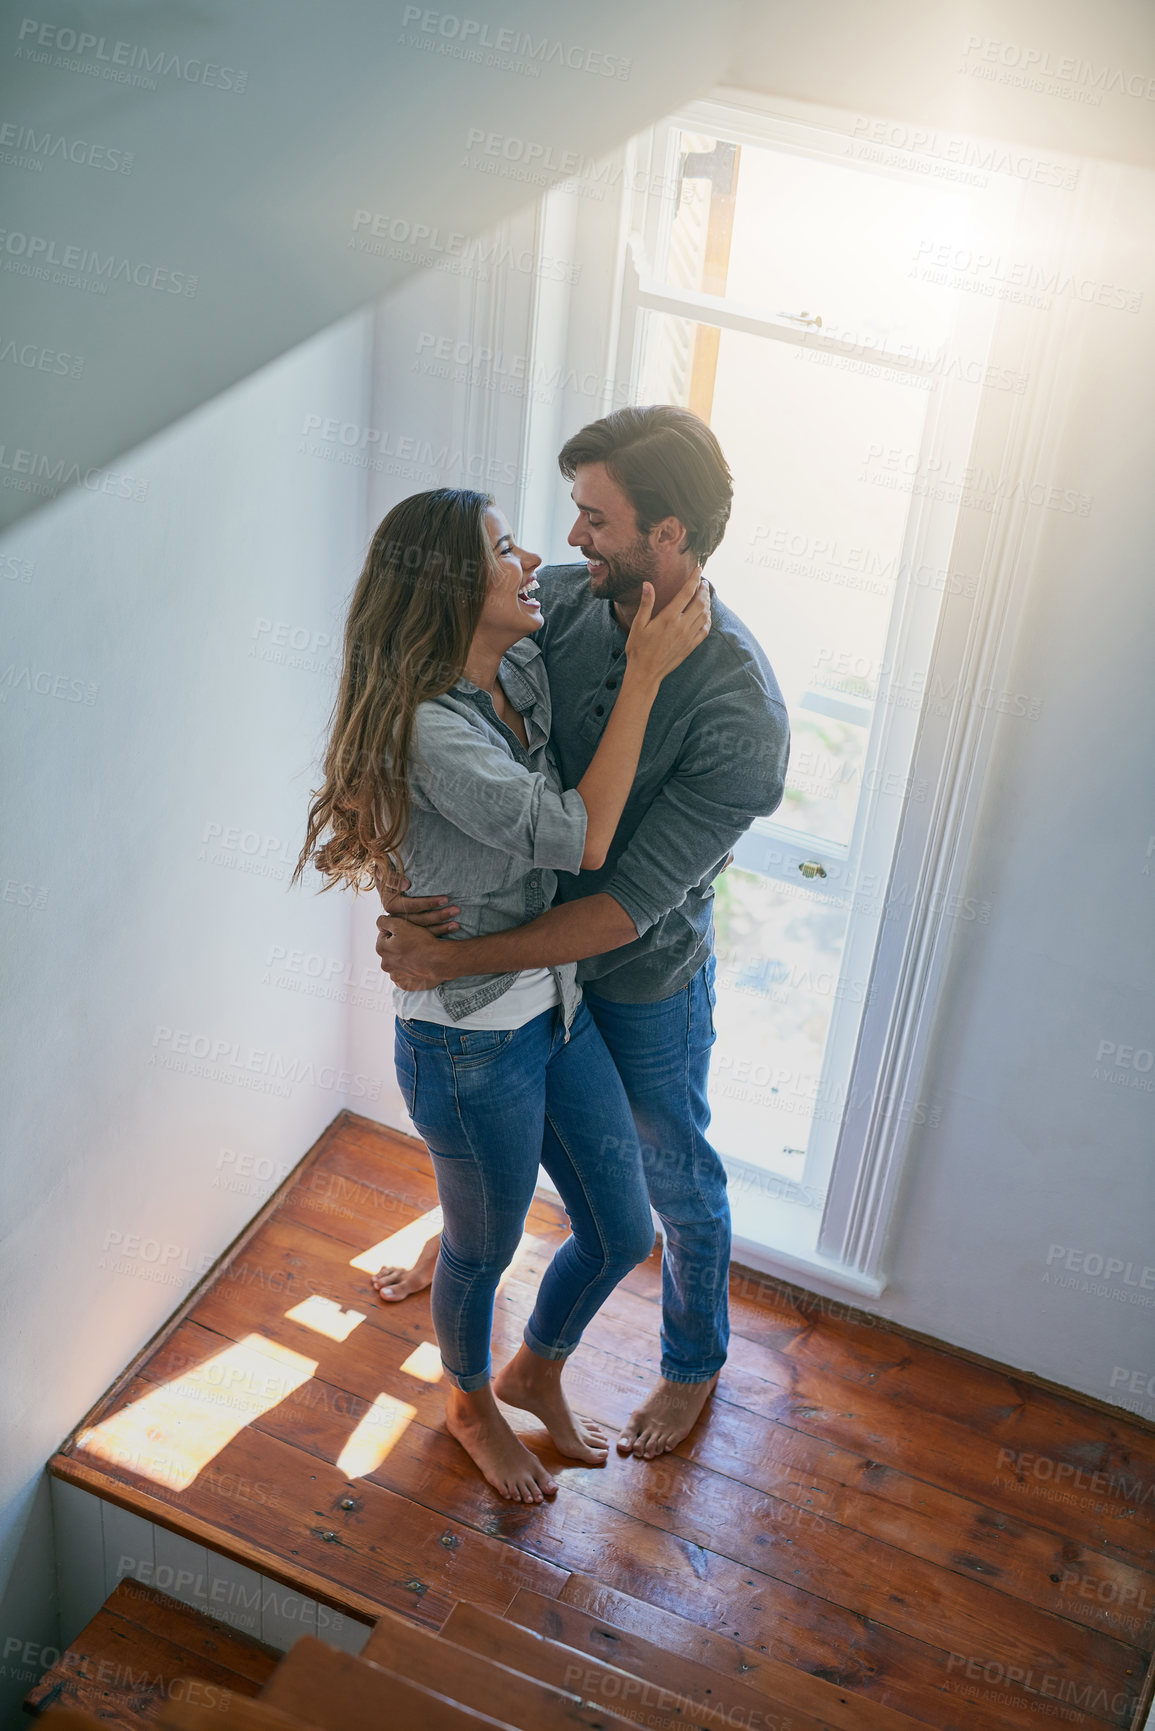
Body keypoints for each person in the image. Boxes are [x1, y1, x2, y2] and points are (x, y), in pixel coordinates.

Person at [376, 406, 790, 1460]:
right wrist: (397, 888)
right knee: (498, 1145)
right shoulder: (553, 605)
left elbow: (612, 906)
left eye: (594, 518)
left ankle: (693, 1363)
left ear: (673, 539)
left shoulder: (742, 715)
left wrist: (448, 959)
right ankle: (471, 1249)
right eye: (570, 513)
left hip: (636, 973)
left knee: (672, 1176)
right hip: (521, 987)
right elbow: (410, 732)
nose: (568, 541)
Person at [295, 486, 710, 1502]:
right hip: (468, 1044)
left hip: (554, 1007)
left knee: (620, 1228)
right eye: (502, 547)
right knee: (481, 1250)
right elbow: (582, 837)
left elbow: (576, 582)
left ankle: (537, 1367)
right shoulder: (434, 731)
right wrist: (648, 676)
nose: (532, 559)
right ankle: (470, 1401)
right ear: (448, 589)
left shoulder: (514, 661)